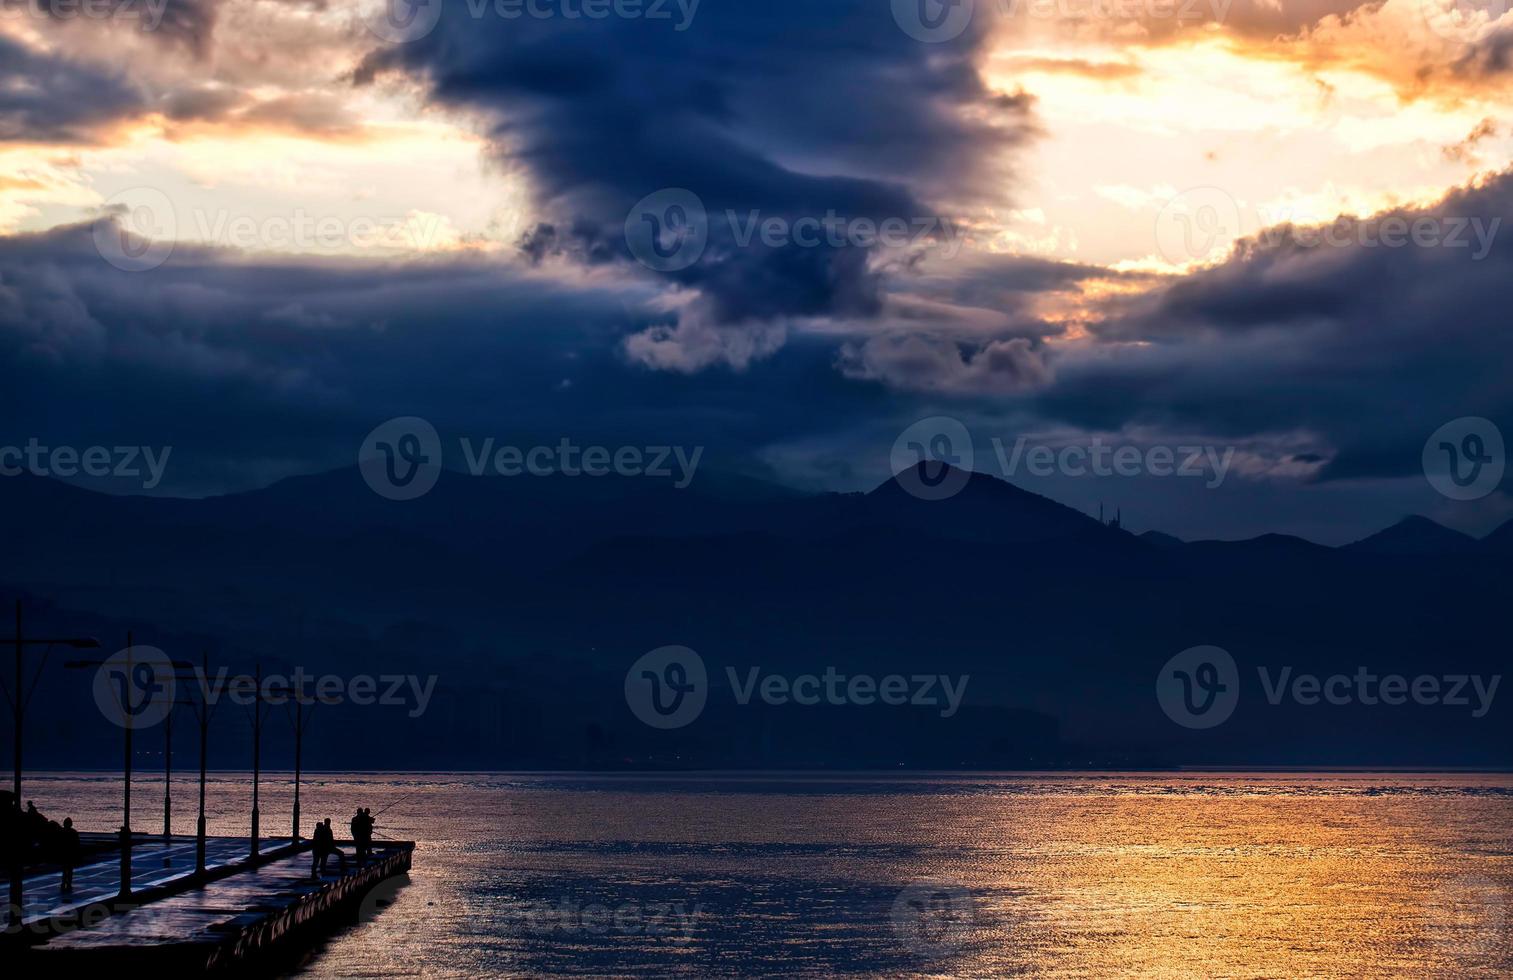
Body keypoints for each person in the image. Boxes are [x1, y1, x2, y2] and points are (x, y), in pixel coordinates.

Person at [59, 817, 80, 892]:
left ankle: (64, 883)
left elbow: (59, 844)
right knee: (69, 870)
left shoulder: (62, 832)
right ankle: (68, 883)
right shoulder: (73, 832)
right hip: (70, 853)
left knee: (65, 870)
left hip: (65, 853)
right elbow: (77, 844)